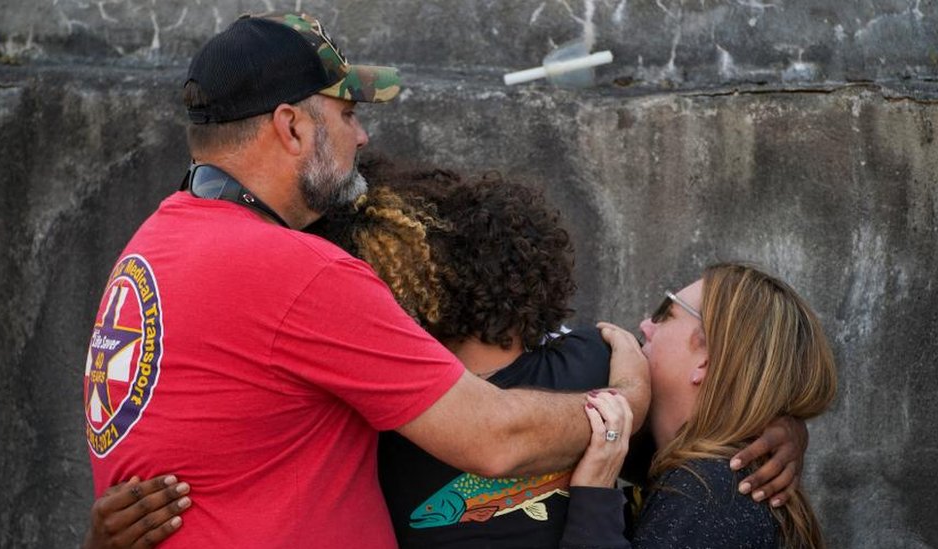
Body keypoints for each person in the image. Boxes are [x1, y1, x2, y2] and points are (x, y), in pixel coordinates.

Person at [82, 12, 650, 548]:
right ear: (292, 127)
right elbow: (496, 437)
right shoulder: (297, 272)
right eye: (348, 114)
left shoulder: (149, 250)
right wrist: (623, 406)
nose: (362, 138)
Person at [84, 170, 808, 547]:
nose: (645, 331)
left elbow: (700, 447)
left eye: (664, 314)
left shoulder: (600, 366)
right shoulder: (367, 407)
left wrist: (770, 426)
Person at [562, 262, 838, 548]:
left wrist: (593, 499)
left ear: (706, 362)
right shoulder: (719, 480)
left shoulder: (709, 491)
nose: (646, 326)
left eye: (664, 314)